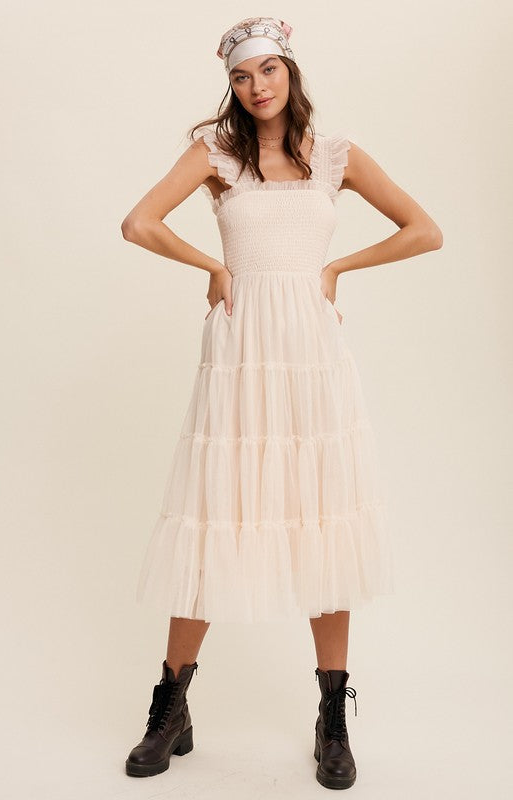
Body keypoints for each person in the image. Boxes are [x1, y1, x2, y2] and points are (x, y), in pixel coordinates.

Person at [120, 15, 442, 790]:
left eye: (267, 70)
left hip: (311, 356)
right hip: (238, 354)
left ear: (290, 73)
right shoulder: (216, 157)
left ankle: (330, 715)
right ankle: (171, 705)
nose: (256, 87)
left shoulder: (336, 158)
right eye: (240, 76)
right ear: (229, 85)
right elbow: (138, 222)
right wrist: (213, 266)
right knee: (212, 511)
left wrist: (333, 272)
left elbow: (422, 230)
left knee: (321, 511)